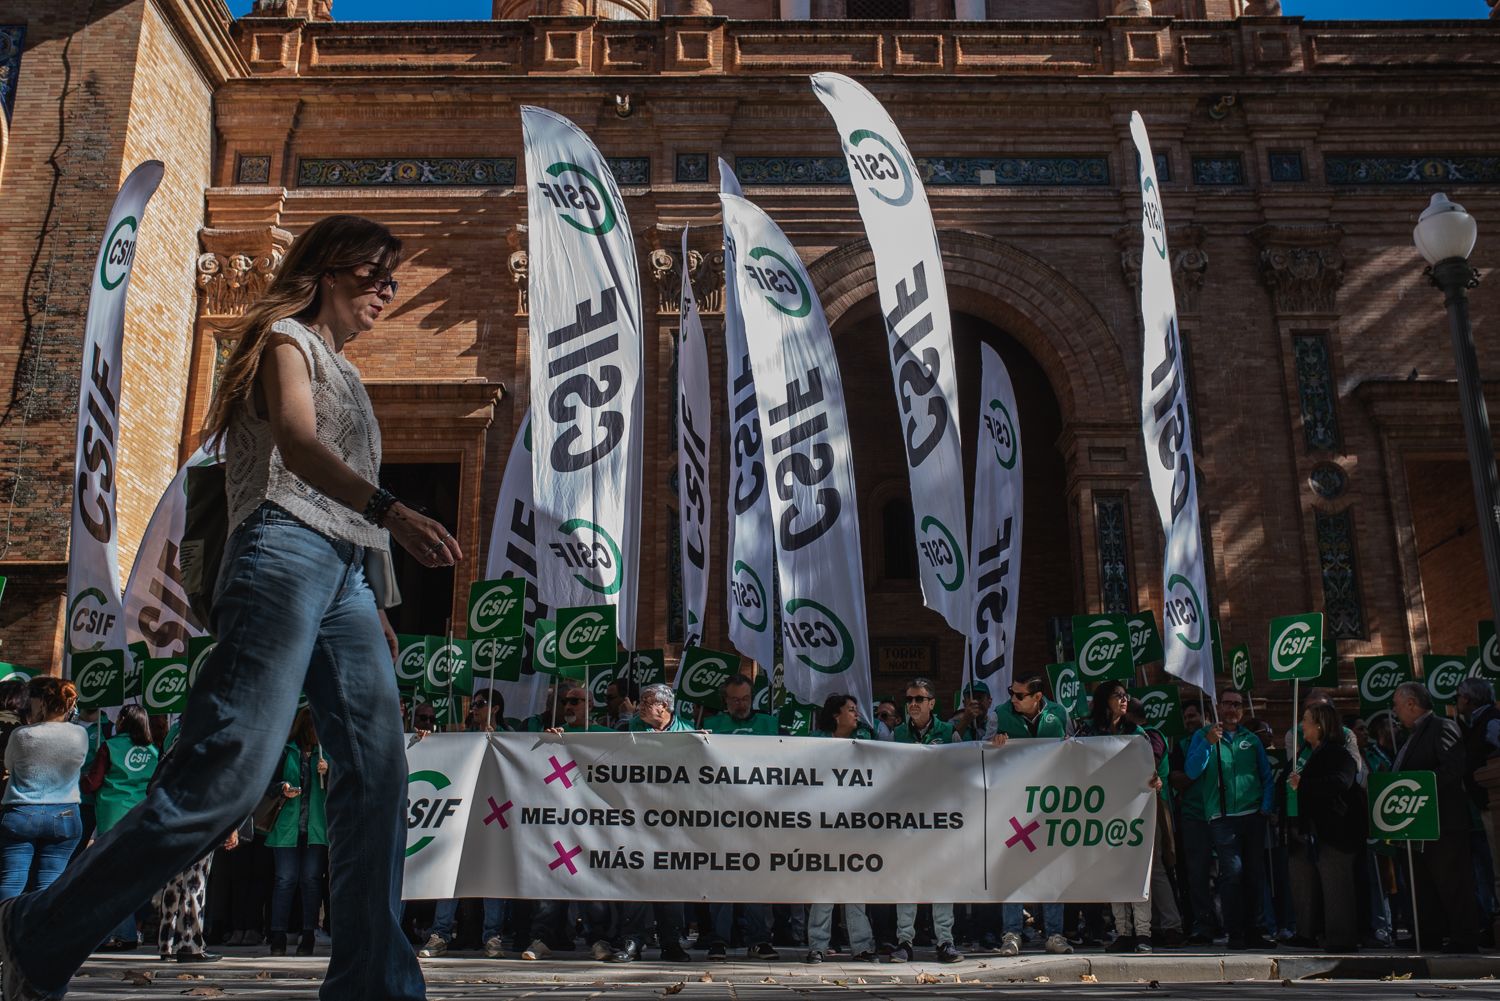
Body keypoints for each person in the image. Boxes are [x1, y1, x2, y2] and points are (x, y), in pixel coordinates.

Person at [0, 215, 459, 1001]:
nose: (388, 289)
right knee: (230, 775)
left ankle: (374, 984)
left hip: (345, 578)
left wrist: (373, 599)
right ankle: (38, 929)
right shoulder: (286, 337)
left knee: (379, 776)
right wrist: (394, 511)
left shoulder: (348, 373)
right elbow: (297, 443)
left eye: (394, 278)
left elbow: (338, 501)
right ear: (327, 270)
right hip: (280, 552)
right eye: (376, 272)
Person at [1073, 682, 1164, 953]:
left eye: (1126, 696)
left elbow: (1149, 767)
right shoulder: (1087, 732)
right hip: (1101, 811)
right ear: (1104, 701)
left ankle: (1143, 934)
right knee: (1113, 870)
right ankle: (1123, 932)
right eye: (1118, 696)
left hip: (1133, 810)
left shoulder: (1136, 733)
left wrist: (1156, 781)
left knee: (1137, 869)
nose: (1124, 700)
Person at [1184, 689, 1275, 950]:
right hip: (1222, 818)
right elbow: (1192, 770)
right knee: (1232, 874)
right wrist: (1208, 743)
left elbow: (1265, 775)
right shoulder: (1204, 736)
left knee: (1255, 875)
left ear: (1243, 710)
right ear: (1218, 707)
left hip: (1253, 816)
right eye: (1227, 704)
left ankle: (1255, 930)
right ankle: (1235, 932)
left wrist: (1265, 807)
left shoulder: (1251, 739)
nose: (1232, 709)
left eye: (1237, 704)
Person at [988, 672, 1071, 956]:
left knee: (1052, 868)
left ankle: (1055, 933)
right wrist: (993, 743)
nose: (1013, 699)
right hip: (1013, 805)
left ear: (1038, 697)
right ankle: (1012, 932)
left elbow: (1074, 750)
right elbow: (980, 750)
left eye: (1020, 695)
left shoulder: (1059, 714)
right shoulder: (999, 715)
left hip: (1049, 804)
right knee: (1012, 869)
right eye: (1012, 692)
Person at [1392, 681, 1479, 952]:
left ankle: (1464, 938)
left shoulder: (1442, 727)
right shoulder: (1411, 735)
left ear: (1411, 704)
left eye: (1397, 706)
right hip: (1420, 825)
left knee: (1452, 881)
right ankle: (1428, 935)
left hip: (1444, 822)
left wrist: (1421, 792)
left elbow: (1453, 767)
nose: (1395, 713)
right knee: (1425, 883)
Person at [884, 677, 963, 964]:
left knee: (941, 881)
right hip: (907, 821)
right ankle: (905, 942)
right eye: (909, 699)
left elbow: (961, 773)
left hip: (941, 819)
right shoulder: (896, 735)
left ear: (931, 702)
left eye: (919, 699)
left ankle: (946, 942)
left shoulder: (950, 733)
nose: (913, 704)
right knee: (907, 881)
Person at [701, 675, 779, 960]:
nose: (741, 704)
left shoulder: (768, 724)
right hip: (721, 815)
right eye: (735, 700)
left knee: (756, 878)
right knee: (722, 877)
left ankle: (759, 939)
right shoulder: (713, 726)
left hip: (759, 816)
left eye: (745, 698)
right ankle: (719, 939)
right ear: (725, 701)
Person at [612, 684, 691, 963]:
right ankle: (633, 941)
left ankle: (672, 942)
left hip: (674, 823)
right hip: (637, 819)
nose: (639, 707)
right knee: (636, 882)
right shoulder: (627, 731)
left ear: (664, 707)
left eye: (647, 703)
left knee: (670, 883)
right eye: (641, 702)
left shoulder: (690, 734)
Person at [78, 703, 159, 949]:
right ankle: (129, 931)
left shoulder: (109, 746)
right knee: (131, 878)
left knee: (109, 878)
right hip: (142, 817)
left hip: (112, 817)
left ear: (123, 721)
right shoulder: (154, 751)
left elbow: (92, 783)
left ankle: (121, 934)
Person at [1286, 701, 1366, 952]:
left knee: (1336, 885)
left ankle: (1341, 939)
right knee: (1320, 884)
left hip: (1337, 831)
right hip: (1314, 830)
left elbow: (1341, 782)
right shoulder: (1307, 754)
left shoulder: (1338, 753)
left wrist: (1305, 785)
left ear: (1320, 726)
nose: (1302, 725)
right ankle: (1316, 933)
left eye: (1307, 720)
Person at [805, 694, 876, 964]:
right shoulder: (815, 742)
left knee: (855, 887)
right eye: (851, 710)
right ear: (836, 715)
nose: (856, 714)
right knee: (823, 888)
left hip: (856, 825)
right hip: (823, 825)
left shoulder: (866, 743)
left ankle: (862, 946)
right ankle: (817, 946)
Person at [0, 678, 86, 901]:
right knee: (49, 883)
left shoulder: (22, 735)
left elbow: (9, 764)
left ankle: (4, 930)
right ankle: (39, 933)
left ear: (42, 703)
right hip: (65, 813)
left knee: (12, 880)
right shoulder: (80, 735)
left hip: (22, 811)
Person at [264, 709, 330, 957]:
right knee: (284, 881)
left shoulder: (326, 754)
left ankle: (309, 935)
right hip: (286, 828)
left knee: (311, 882)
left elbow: (342, 787)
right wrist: (282, 788)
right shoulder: (285, 751)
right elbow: (266, 784)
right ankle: (278, 936)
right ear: (306, 728)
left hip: (317, 828)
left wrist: (330, 772)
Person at [1456, 677, 1500, 919]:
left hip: (1493, 804)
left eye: (1458, 696)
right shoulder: (1473, 724)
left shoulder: (1492, 721)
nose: (1457, 701)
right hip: (1483, 805)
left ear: (1468, 698)